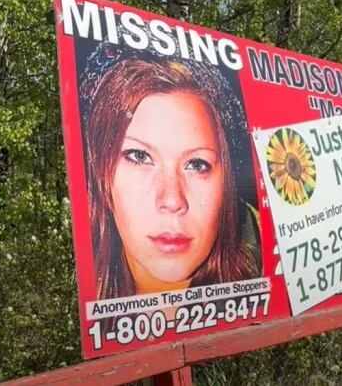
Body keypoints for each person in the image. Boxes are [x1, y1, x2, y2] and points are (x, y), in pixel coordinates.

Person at [80, 45, 260, 301]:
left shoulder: (269, 268)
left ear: (226, 181)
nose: (173, 200)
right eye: (140, 157)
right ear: (101, 173)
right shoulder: (76, 295)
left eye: (197, 164)